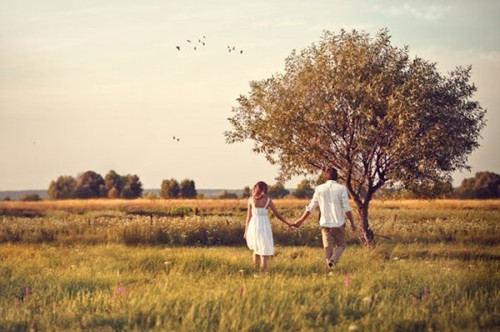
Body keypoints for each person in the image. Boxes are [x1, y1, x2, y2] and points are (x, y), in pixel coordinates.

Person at [293, 167, 357, 269]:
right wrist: (353, 223)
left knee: (327, 248)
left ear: (326, 177)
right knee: (341, 245)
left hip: (325, 224)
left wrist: (301, 220)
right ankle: (333, 260)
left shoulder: (319, 189)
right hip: (338, 224)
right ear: (337, 177)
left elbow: (311, 207)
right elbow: (346, 207)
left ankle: (330, 269)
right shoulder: (341, 188)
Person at [244, 181, 291, 272]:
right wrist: (288, 223)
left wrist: (246, 230)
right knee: (263, 249)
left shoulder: (250, 200)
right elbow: (278, 215)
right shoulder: (268, 201)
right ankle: (263, 271)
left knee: (256, 248)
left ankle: (255, 269)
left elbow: (248, 217)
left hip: (254, 225)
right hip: (264, 225)